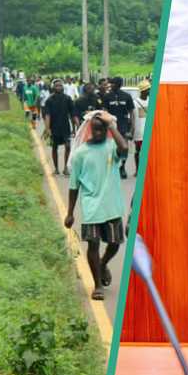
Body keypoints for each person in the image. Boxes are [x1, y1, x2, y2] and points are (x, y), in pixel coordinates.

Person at [64, 110, 128, 301]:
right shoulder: (80, 154)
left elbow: (124, 148)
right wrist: (70, 213)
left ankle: (102, 263)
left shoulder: (111, 147)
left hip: (112, 206)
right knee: (93, 244)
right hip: (91, 206)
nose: (99, 133)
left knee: (115, 243)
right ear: (90, 130)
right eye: (96, 129)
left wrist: (111, 125)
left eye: (103, 129)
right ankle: (97, 285)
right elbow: (74, 186)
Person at [101, 77, 136, 179]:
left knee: (124, 148)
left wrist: (132, 130)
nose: (110, 85)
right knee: (110, 148)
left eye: (113, 83)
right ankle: (111, 168)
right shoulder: (107, 96)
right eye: (110, 83)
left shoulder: (127, 96)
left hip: (124, 126)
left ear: (119, 84)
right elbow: (104, 112)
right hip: (111, 126)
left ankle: (122, 168)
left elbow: (132, 114)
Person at [42, 80, 75, 175]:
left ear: (63, 87)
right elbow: (47, 115)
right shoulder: (49, 100)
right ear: (53, 87)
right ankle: (56, 168)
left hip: (65, 127)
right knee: (54, 147)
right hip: (54, 127)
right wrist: (47, 129)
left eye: (60, 86)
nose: (59, 87)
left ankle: (66, 168)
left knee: (68, 146)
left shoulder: (68, 99)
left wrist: (74, 128)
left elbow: (72, 114)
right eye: (56, 86)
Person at [132, 79, 150, 175]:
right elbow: (132, 118)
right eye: (148, 89)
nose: (149, 91)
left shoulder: (151, 100)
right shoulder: (135, 102)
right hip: (139, 132)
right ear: (143, 91)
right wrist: (132, 131)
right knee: (138, 151)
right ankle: (137, 170)